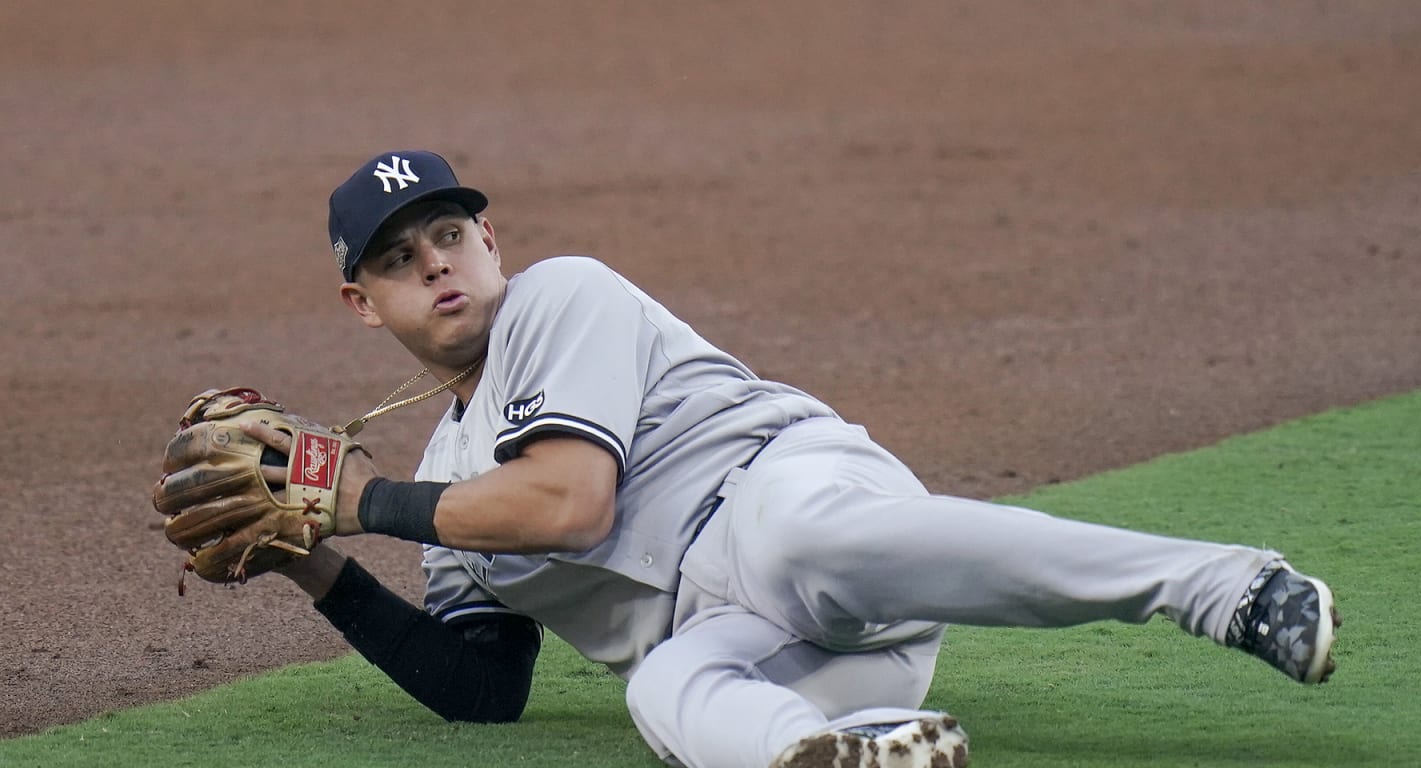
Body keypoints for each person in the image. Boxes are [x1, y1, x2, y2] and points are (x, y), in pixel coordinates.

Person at [251, 150, 1340, 768]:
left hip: (787, 495)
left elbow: (573, 504)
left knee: (807, 538)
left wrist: (364, 504)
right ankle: (843, 753)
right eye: (400, 259)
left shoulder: (557, 298)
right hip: (809, 655)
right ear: (364, 303)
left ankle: (1220, 586)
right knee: (664, 688)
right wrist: (310, 558)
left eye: (450, 235)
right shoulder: (450, 479)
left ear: (494, 243)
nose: (436, 264)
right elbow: (478, 687)